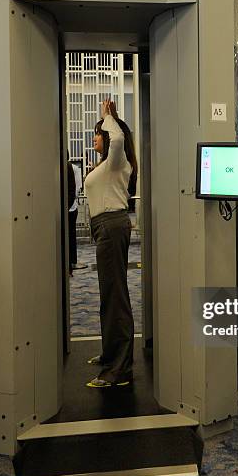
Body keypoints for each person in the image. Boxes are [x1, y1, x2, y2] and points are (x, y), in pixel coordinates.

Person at [84, 98, 138, 388]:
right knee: (109, 294)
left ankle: (120, 370)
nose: (95, 136)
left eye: (97, 132)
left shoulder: (118, 159)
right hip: (105, 228)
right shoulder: (107, 165)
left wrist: (108, 117)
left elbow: (118, 138)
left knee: (116, 296)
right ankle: (111, 356)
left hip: (111, 226)